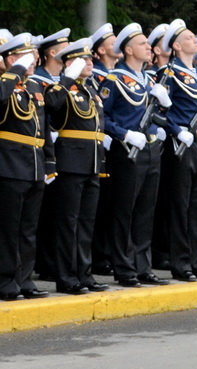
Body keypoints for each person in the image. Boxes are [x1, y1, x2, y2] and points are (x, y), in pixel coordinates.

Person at [101, 23, 170, 288]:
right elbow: (102, 117)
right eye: (143, 44)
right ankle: (124, 267)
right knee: (125, 210)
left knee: (145, 211)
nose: (149, 48)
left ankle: (143, 265)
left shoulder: (150, 80)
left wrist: (162, 114)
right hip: (128, 151)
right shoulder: (114, 79)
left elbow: (157, 115)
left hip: (151, 150)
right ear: (128, 50)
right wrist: (124, 134)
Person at [44, 39, 108, 294]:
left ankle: (84, 273)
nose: (91, 63)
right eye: (85, 60)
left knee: (86, 223)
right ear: (69, 62)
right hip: (71, 163)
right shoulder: (62, 88)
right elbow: (52, 105)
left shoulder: (89, 90)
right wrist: (66, 78)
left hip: (92, 163)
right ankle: (66, 276)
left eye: (91, 59)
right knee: (68, 223)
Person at [0, 34, 56, 300]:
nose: (33, 61)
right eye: (26, 57)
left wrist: (49, 162)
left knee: (28, 229)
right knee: (8, 229)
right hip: (9, 165)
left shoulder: (32, 87)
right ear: (11, 58)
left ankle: (24, 280)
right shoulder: (5, 83)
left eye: (33, 57)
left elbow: (42, 127)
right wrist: (15, 70)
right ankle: (5, 280)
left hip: (34, 165)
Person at [158, 20, 197, 281]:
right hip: (180, 145)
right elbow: (158, 112)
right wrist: (176, 129)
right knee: (181, 205)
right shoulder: (169, 74)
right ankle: (181, 263)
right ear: (177, 46)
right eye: (190, 38)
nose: (196, 41)